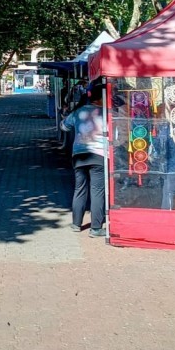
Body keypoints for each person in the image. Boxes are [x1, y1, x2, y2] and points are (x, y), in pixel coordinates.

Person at [61, 83, 107, 236]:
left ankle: (76, 223)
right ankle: (96, 228)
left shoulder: (78, 112)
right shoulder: (106, 113)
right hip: (98, 155)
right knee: (97, 191)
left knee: (79, 189)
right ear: (101, 98)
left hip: (79, 155)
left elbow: (64, 126)